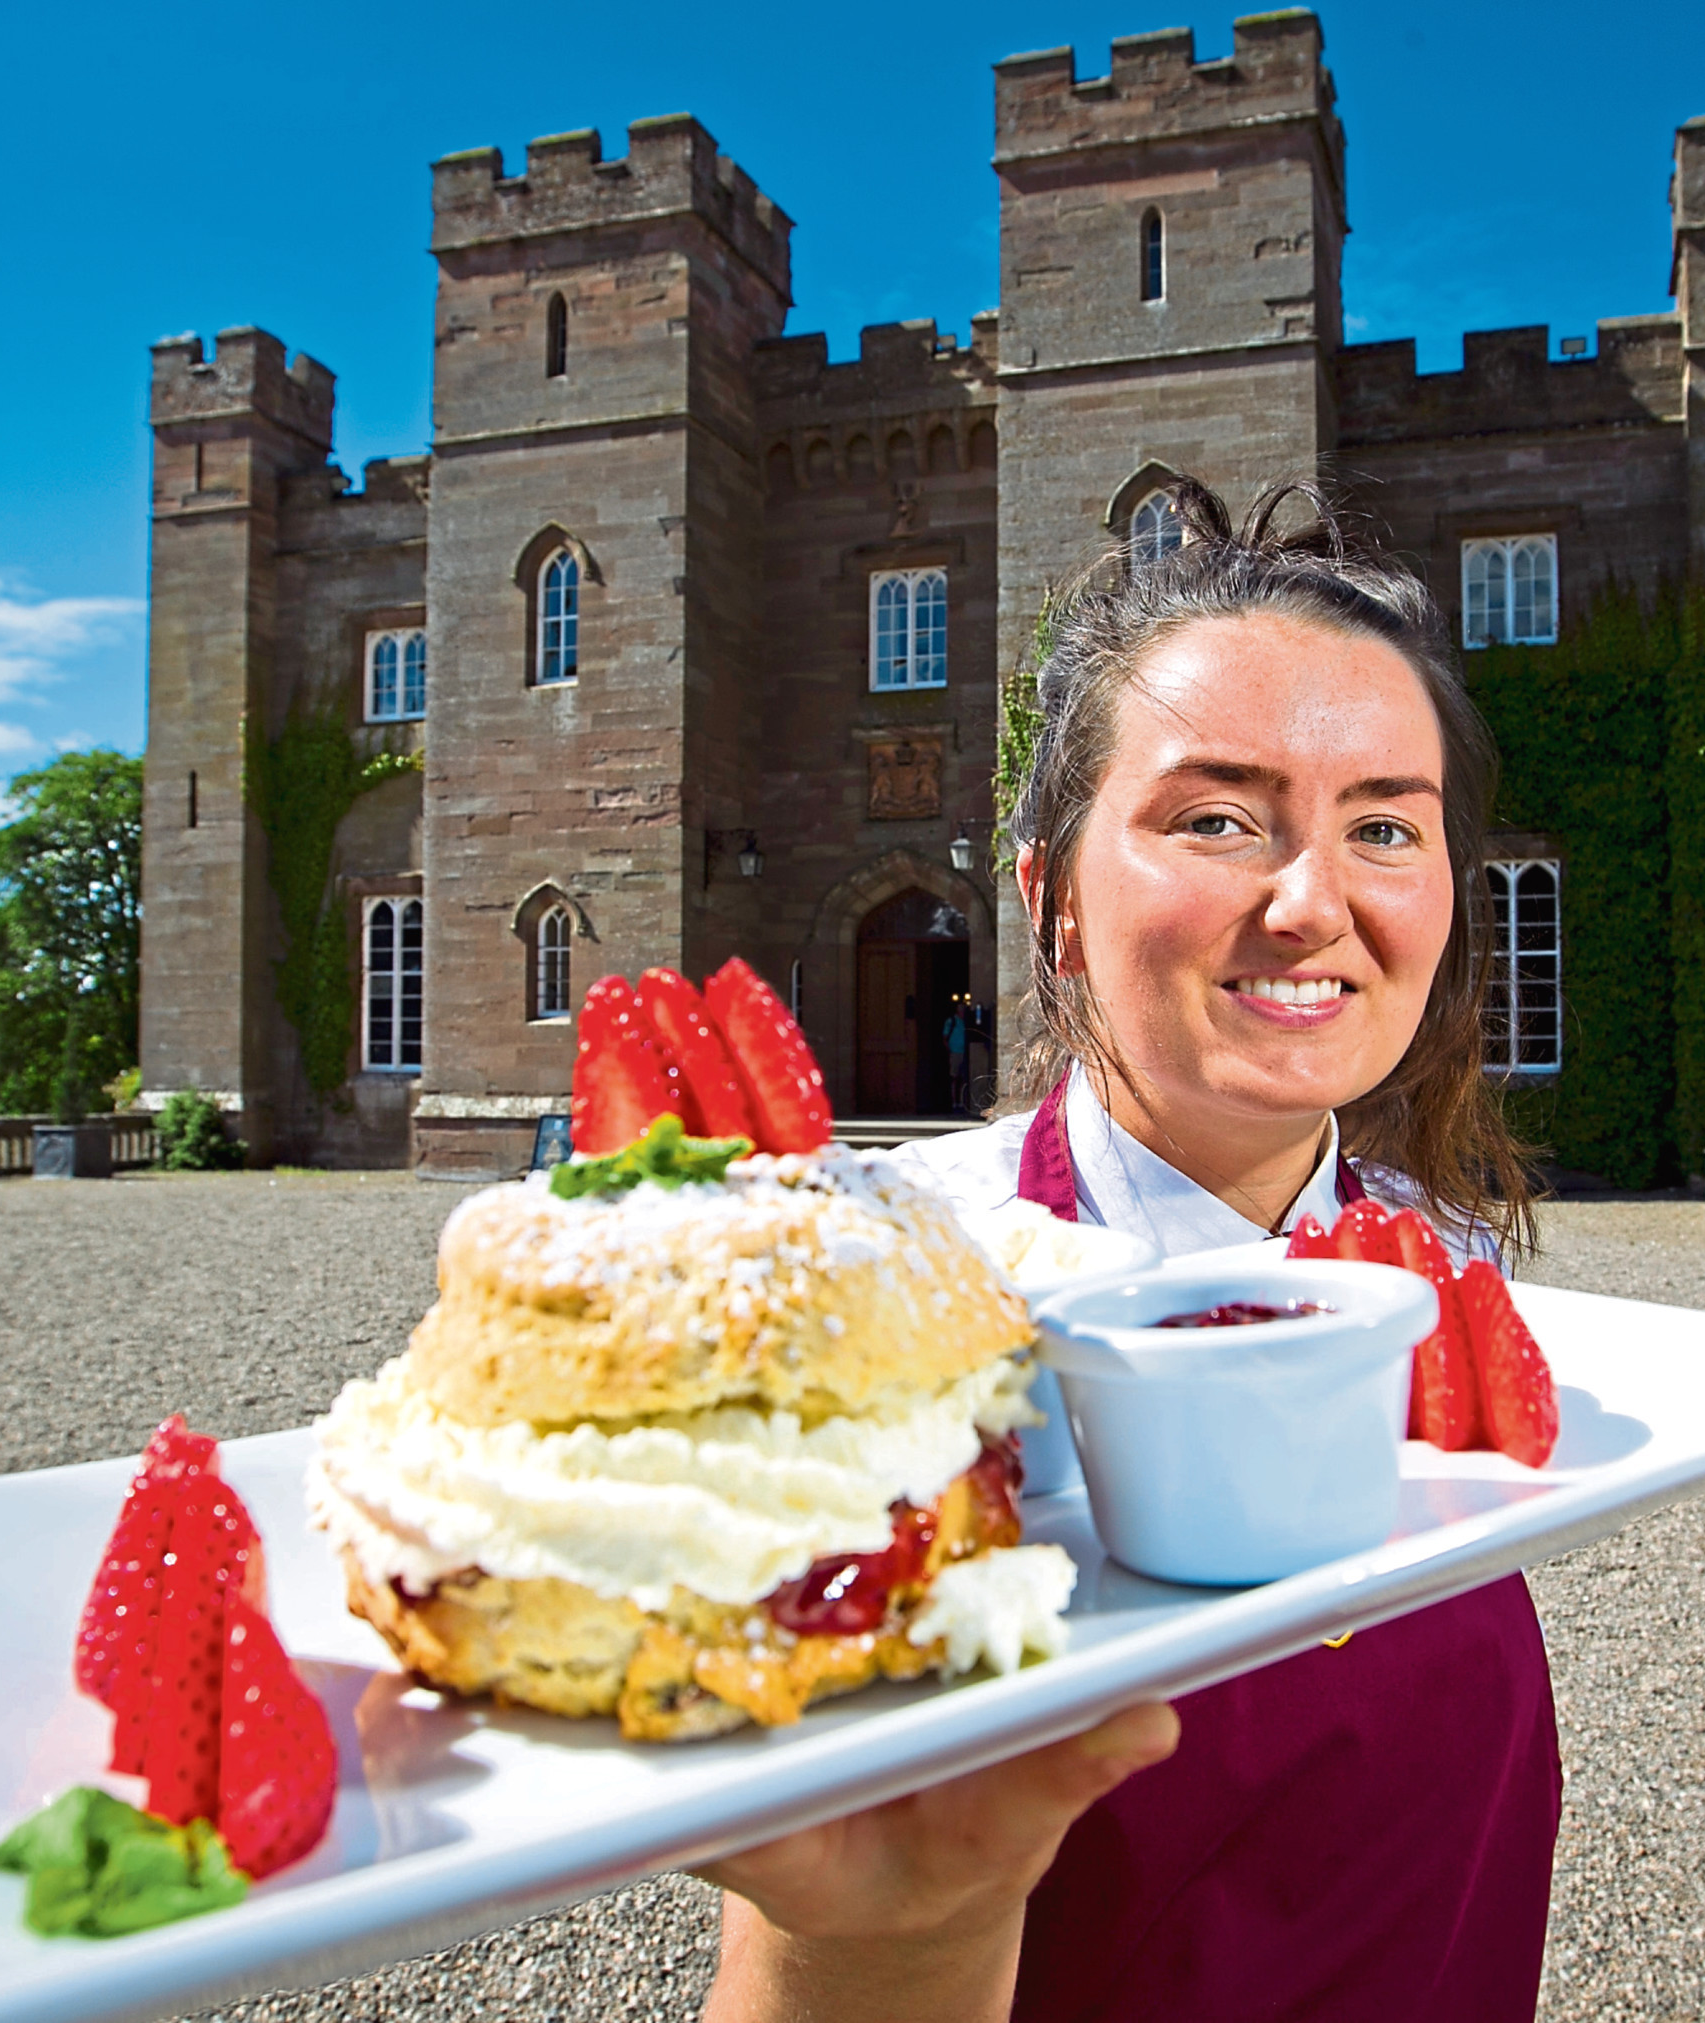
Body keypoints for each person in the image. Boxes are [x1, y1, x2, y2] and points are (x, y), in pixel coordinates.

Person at [700, 481, 1558, 2022]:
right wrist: (886, 1937)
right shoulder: (897, 1309)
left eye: (1383, 828)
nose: (1314, 903)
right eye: (1216, 820)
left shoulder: (1436, 1266)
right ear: (1052, 902)